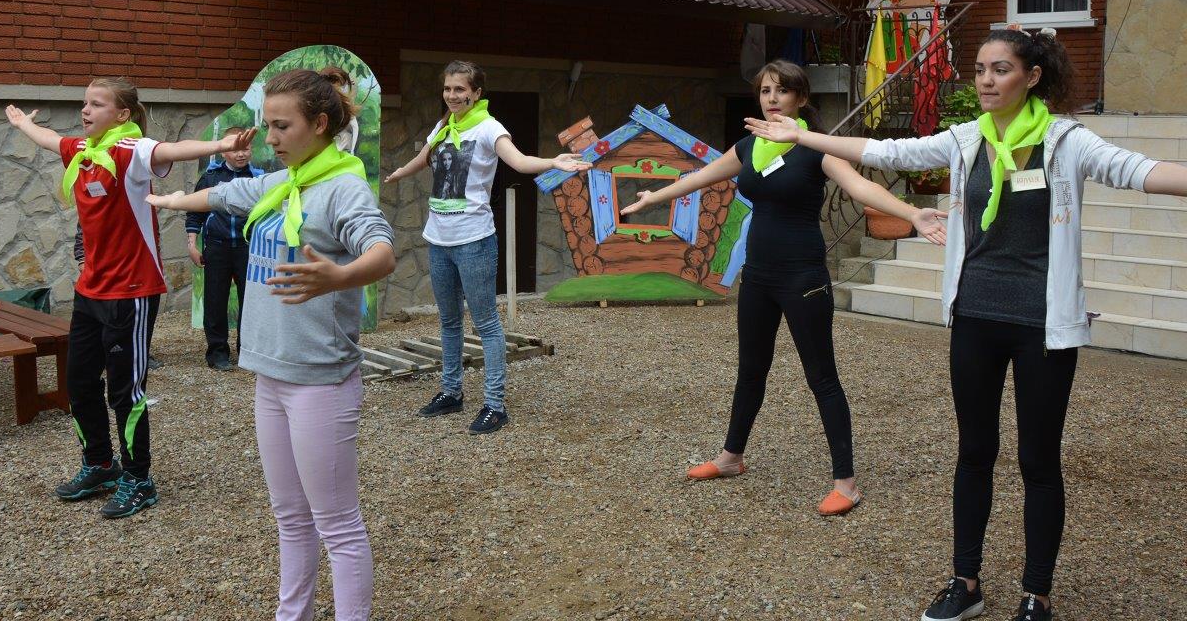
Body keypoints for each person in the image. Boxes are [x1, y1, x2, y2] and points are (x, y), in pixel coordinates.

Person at [748, 29, 1187, 621]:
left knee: (1038, 461)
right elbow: (887, 153)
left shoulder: (1066, 141)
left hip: (1042, 326)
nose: (985, 79)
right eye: (979, 69)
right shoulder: (966, 139)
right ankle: (966, 583)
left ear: (1032, 77)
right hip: (976, 317)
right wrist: (801, 135)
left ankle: (1036, 593)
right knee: (974, 453)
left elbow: (1141, 171)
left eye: (1000, 69)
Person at [621, 61, 945, 515]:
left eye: (782, 90)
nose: (772, 98)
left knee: (822, 377)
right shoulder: (749, 146)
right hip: (758, 275)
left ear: (801, 98)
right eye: (765, 90)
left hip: (802, 277)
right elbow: (702, 176)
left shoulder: (815, 147)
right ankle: (731, 457)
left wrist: (911, 213)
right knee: (751, 369)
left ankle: (846, 482)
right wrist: (654, 197)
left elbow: (860, 188)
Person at [147, 67, 394, 621]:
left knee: (337, 525)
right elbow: (226, 194)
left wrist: (339, 276)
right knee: (290, 518)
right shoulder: (283, 183)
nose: (272, 138)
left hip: (320, 381)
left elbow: (382, 251)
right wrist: (171, 203)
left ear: (320, 124)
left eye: (283, 126)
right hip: (271, 377)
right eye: (268, 126)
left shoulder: (343, 188)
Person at [5, 77, 255, 519]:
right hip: (90, 290)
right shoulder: (83, 151)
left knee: (126, 391)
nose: (85, 110)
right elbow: (50, 139)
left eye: (96, 104)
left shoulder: (131, 151)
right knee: (80, 383)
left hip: (132, 292)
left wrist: (221, 145)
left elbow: (173, 149)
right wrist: (23, 123)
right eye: (85, 103)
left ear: (121, 114)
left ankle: (139, 478)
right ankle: (100, 464)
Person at [385, 60, 590, 434]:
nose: (452, 95)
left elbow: (519, 161)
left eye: (460, 89)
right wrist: (401, 172)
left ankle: (495, 405)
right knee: (449, 320)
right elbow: (425, 156)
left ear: (476, 93)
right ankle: (451, 392)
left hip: (474, 240)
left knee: (486, 324)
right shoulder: (444, 126)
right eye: (448, 88)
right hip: (439, 240)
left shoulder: (489, 127)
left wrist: (553, 161)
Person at [185, 126, 262, 370]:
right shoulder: (210, 177)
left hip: (248, 248)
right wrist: (192, 245)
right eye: (236, 149)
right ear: (224, 151)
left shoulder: (258, 178)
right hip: (217, 248)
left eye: (246, 148)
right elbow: (195, 212)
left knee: (251, 300)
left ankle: (248, 352)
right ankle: (217, 353)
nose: (241, 154)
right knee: (215, 301)